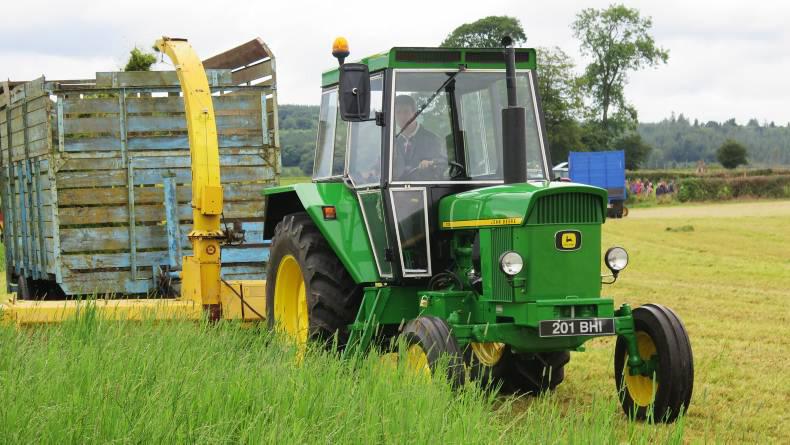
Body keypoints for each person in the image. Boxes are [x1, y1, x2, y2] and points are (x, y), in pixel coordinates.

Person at [392, 95, 447, 180]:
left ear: (414, 113)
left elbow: (443, 162)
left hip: (426, 189)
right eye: (398, 112)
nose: (402, 117)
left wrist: (431, 163)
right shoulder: (393, 143)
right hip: (397, 191)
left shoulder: (431, 139)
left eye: (406, 112)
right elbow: (381, 166)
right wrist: (371, 172)